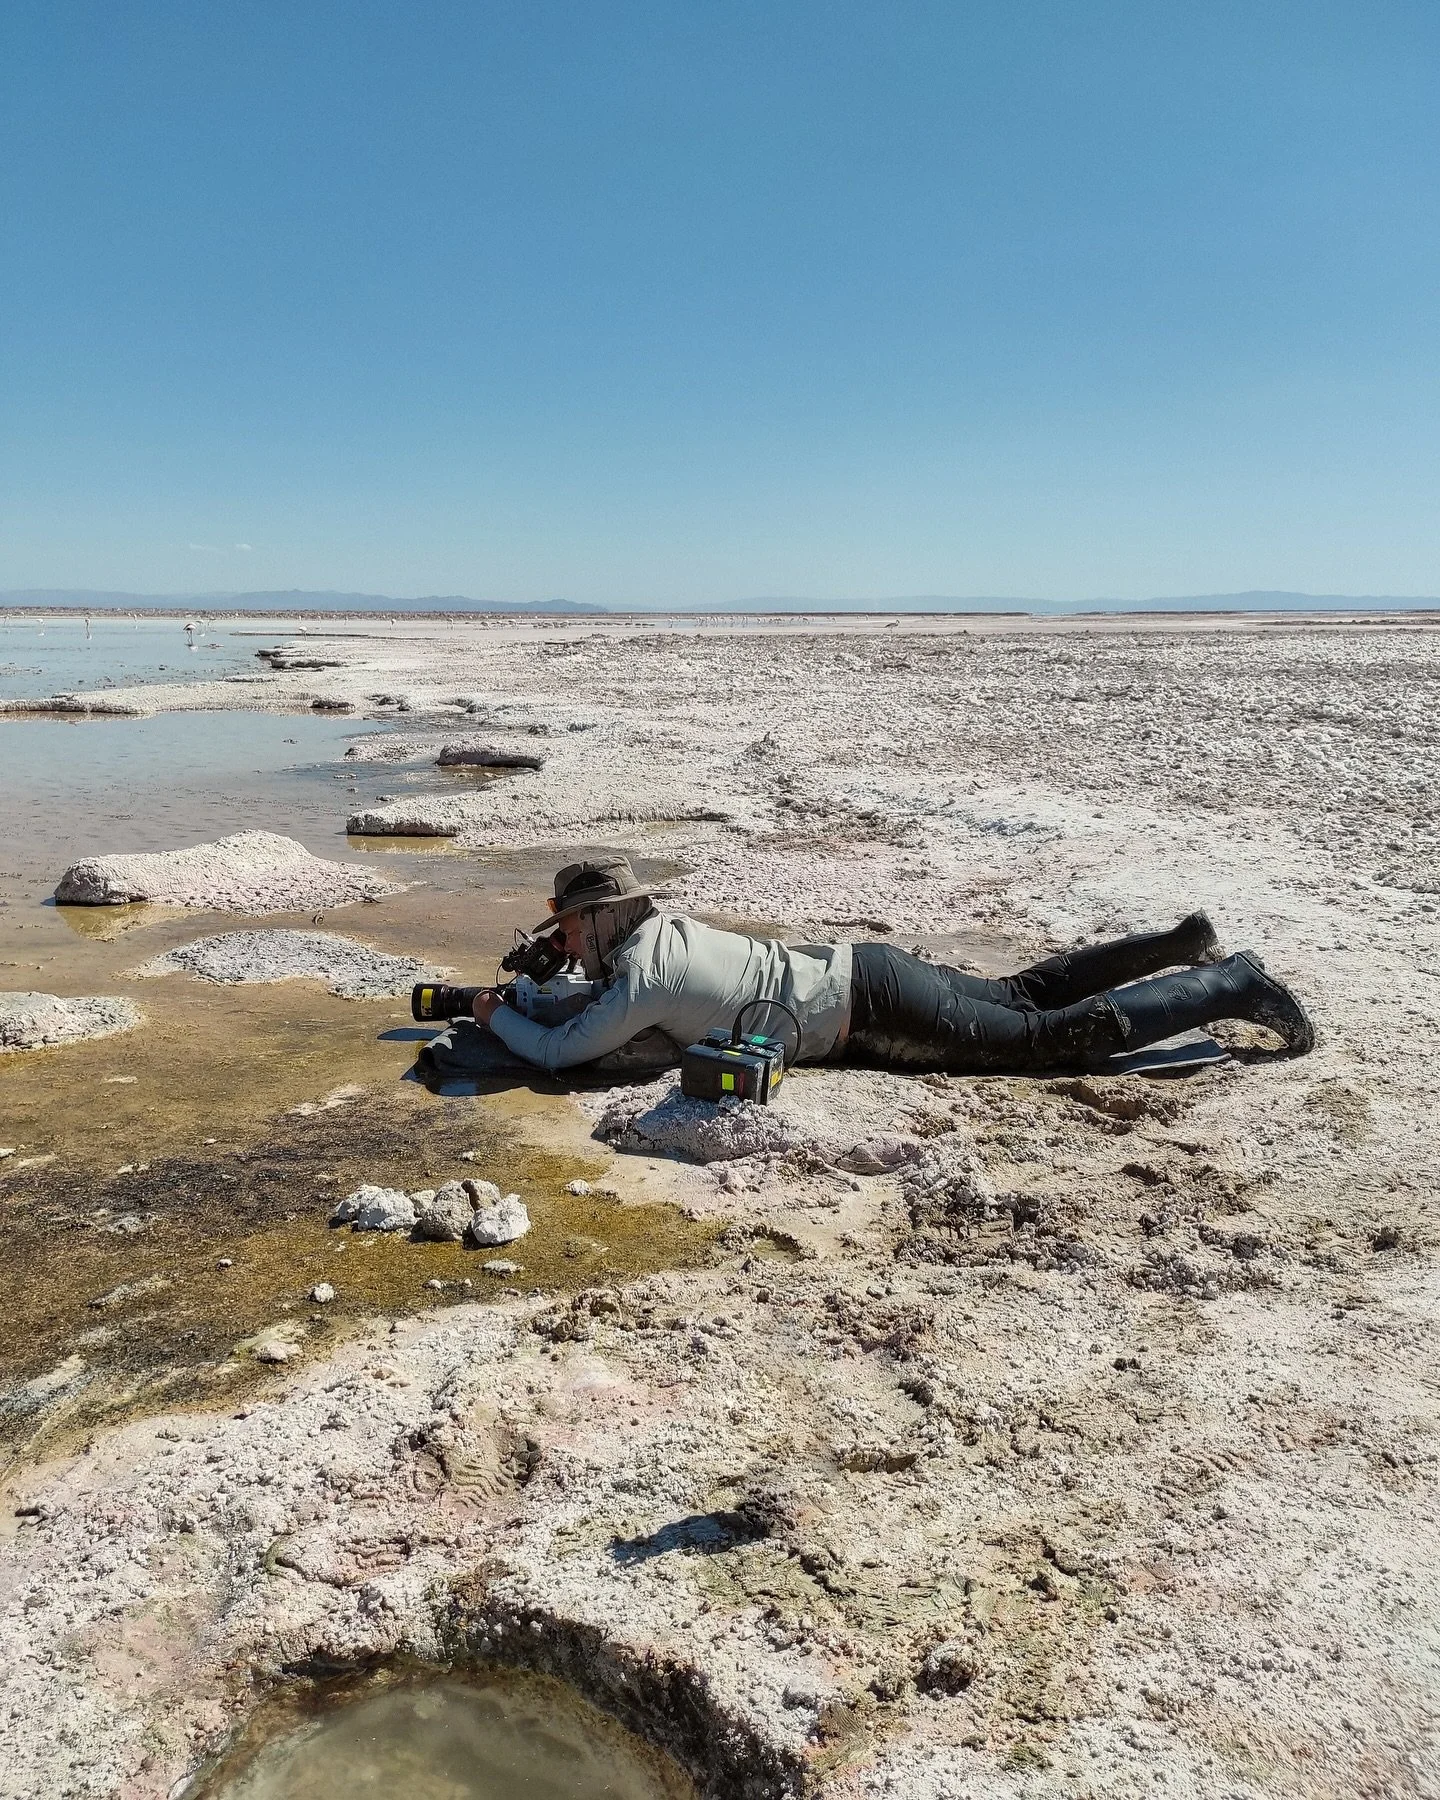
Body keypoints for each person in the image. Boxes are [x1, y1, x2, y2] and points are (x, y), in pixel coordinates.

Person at [472, 857, 1314, 1076]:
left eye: (569, 927)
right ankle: (1176, 944)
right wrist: (545, 978)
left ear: (599, 917)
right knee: (1019, 992)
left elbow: (559, 1052)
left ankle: (1232, 983)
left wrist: (489, 1013)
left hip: (867, 1008)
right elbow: (599, 997)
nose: (566, 943)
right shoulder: (661, 939)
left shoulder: (642, 974)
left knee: (1045, 1041)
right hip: (863, 969)